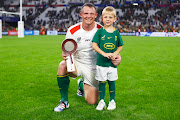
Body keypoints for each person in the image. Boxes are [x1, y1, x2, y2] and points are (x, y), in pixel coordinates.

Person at [54, 3, 121, 112]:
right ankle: (64, 101)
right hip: (78, 63)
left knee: (92, 101)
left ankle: (81, 84)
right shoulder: (72, 30)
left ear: (96, 15)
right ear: (81, 14)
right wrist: (65, 55)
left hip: (95, 67)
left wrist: (118, 57)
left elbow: (112, 47)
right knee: (62, 65)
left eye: (91, 14)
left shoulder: (102, 29)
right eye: (86, 13)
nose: (88, 16)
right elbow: (67, 49)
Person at [92, 6, 124, 110]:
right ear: (102, 19)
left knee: (111, 81)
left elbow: (121, 45)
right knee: (101, 82)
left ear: (115, 19)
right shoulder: (100, 32)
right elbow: (94, 45)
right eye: (105, 17)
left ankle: (112, 101)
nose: (108, 19)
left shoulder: (116, 33)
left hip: (112, 64)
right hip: (101, 62)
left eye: (110, 17)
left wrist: (115, 53)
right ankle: (101, 101)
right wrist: (104, 54)